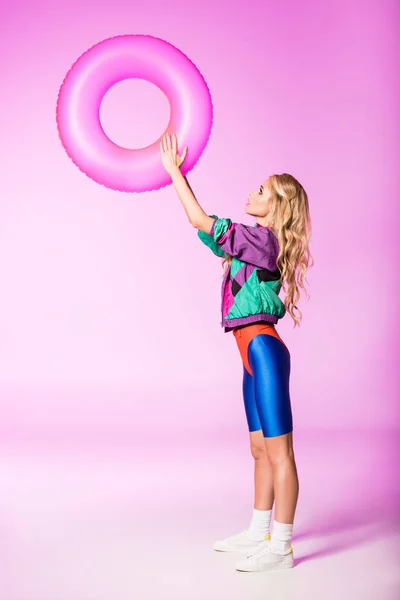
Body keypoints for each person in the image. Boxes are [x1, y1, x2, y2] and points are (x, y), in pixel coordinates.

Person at [160, 133, 314, 572]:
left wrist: (174, 172)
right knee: (259, 450)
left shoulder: (263, 242)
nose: (253, 192)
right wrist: (183, 178)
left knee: (280, 452)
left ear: (277, 208)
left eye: (262, 190)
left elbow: (202, 218)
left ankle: (280, 547)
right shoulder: (247, 242)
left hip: (264, 350)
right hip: (248, 355)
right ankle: (258, 531)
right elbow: (203, 227)